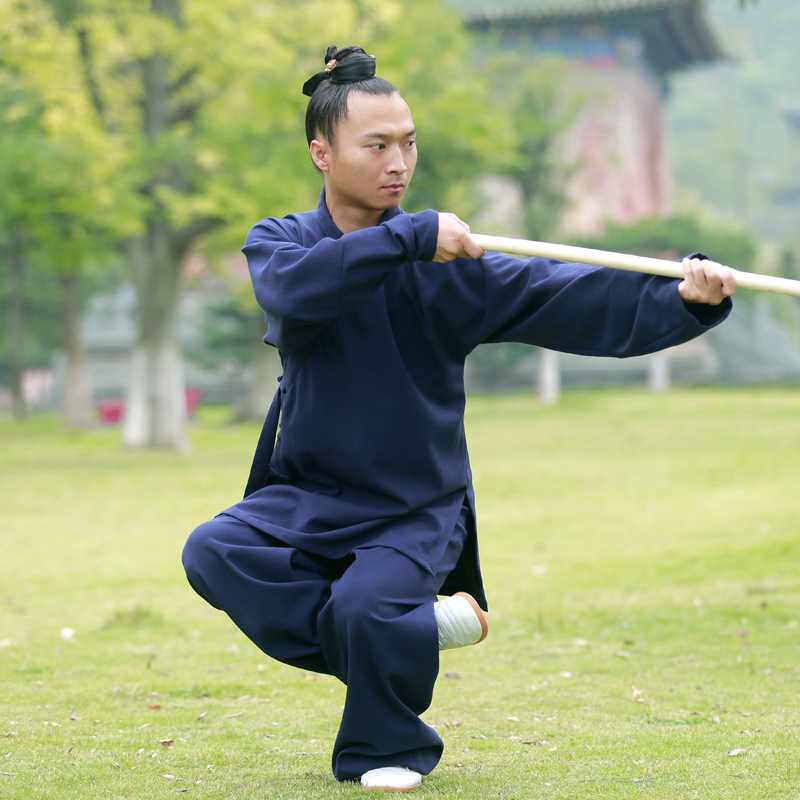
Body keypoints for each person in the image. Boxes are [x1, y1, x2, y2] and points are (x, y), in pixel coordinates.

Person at [181, 44, 736, 792]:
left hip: (413, 503)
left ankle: (388, 746)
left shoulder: (451, 270)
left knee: (366, 606)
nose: (398, 162)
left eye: (408, 143)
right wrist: (410, 235)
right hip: (309, 495)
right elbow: (296, 292)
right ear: (321, 152)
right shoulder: (282, 244)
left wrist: (683, 298)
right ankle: (412, 631)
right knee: (214, 553)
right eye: (376, 145)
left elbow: (568, 298)